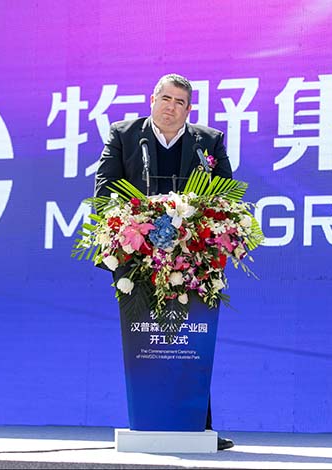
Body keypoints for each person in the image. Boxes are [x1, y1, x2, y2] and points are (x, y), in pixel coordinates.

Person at [94, 73, 234, 451]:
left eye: (180, 103)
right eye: (166, 99)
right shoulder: (125, 135)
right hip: (137, 253)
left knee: (189, 338)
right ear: (152, 99)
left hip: (193, 254)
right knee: (147, 336)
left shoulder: (208, 141)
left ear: (189, 110)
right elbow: (105, 191)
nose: (171, 108)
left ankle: (197, 427)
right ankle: (148, 421)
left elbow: (225, 198)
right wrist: (126, 227)